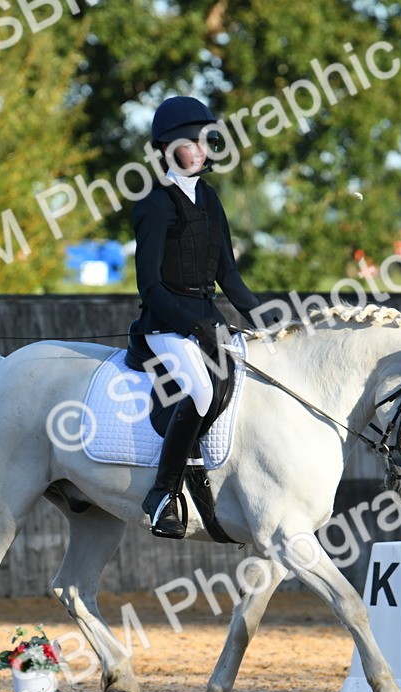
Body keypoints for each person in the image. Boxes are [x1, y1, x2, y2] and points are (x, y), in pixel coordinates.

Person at [129, 96, 269, 539]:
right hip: (164, 325)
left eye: (205, 139)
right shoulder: (154, 204)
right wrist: (193, 325)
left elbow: (227, 272)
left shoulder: (209, 198)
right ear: (169, 149)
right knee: (202, 390)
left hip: (206, 318)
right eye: (192, 142)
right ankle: (162, 495)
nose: (203, 149)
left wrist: (262, 320)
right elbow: (148, 285)